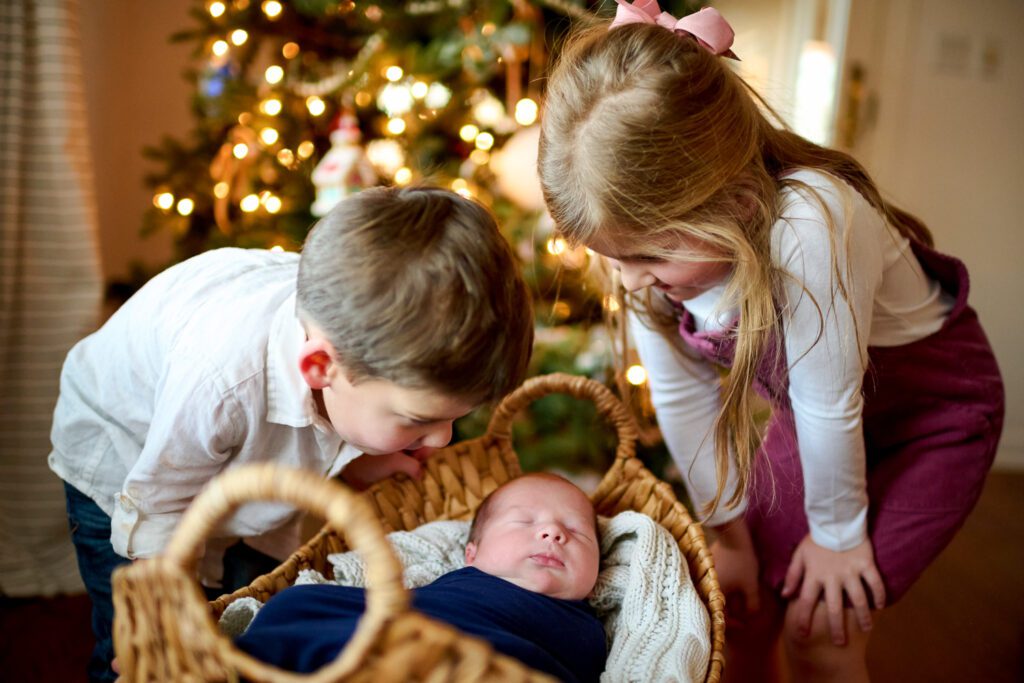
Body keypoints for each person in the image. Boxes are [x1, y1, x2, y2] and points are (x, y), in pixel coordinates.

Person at [536, 2, 1004, 681]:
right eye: (612, 257)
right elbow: (682, 396)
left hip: (936, 419)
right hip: (821, 418)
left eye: (649, 256)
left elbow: (829, 402)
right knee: (739, 603)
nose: (629, 278)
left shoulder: (810, 221)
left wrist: (838, 539)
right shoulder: (642, 262)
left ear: (734, 206)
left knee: (825, 629)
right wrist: (728, 533)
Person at [48, 185, 534, 683]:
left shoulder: (346, 356)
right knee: (143, 652)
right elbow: (155, 509)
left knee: (249, 610)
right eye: (417, 420)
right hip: (126, 468)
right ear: (320, 366)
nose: (443, 440)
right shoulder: (222, 377)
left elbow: (334, 411)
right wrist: (171, 623)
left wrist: (359, 454)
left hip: (221, 442)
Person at [234, 472, 607, 682]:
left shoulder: (590, 628)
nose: (553, 534)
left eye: (577, 532)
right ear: (471, 554)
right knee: (299, 602)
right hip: (398, 627)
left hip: (480, 665)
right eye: (525, 522)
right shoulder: (456, 578)